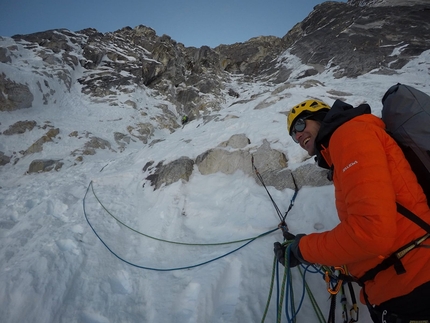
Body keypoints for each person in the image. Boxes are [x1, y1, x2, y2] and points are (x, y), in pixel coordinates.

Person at [275, 99, 430, 323]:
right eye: (293, 135)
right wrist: (307, 249)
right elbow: (372, 237)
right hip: (403, 286)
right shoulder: (343, 146)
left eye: (300, 125)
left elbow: (371, 234)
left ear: (321, 117)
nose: (298, 136)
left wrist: (302, 249)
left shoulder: (349, 136)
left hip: (414, 289)